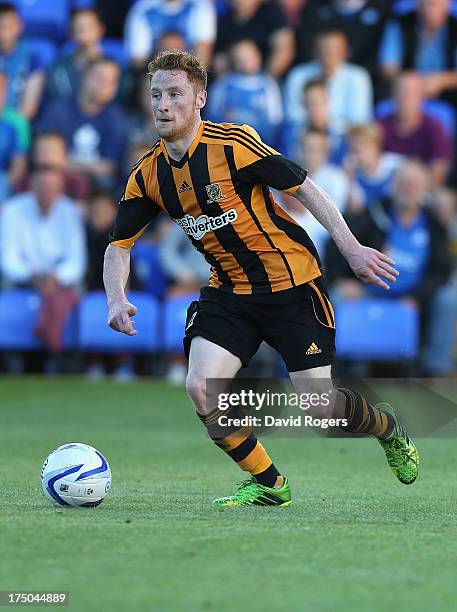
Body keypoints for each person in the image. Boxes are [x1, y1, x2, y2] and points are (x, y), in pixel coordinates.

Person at [103, 50, 419, 507]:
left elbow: (305, 187)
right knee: (199, 386)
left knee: (320, 409)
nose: (163, 105)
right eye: (156, 95)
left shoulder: (233, 145)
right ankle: (270, 483)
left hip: (292, 284)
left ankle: (386, 427)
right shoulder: (148, 174)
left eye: (175, 94)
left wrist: (350, 246)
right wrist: (116, 298)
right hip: (229, 293)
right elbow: (119, 244)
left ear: (200, 99)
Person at [325, 160, 455, 376]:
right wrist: (343, 280)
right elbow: (336, 245)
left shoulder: (433, 223)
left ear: (424, 188)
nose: (408, 188)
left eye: (414, 183)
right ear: (394, 185)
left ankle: (435, 372)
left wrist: (416, 298)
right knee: (338, 295)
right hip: (370, 291)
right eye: (403, 182)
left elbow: (442, 270)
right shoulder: (375, 213)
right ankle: (343, 369)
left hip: (414, 299)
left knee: (449, 298)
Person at [37, 57, 127, 189]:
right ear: (83, 77)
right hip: (60, 184)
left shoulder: (116, 117)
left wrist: (64, 162)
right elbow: (46, 157)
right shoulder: (58, 110)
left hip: (98, 192)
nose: (104, 86)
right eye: (99, 78)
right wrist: (91, 167)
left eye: (110, 81)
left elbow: (109, 168)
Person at [283, 29, 373, 128]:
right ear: (315, 52)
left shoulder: (358, 77)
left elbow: (359, 120)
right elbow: (293, 116)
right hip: (305, 135)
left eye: (334, 49)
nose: (329, 54)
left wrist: (328, 127)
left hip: (345, 138)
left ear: (346, 52)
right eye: (324, 49)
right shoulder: (298, 75)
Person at [377, 72, 452, 187]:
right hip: (386, 189)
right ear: (392, 96)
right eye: (399, 93)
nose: (403, 99)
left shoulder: (435, 128)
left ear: (421, 98)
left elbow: (439, 173)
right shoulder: (380, 126)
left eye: (408, 94)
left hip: (422, 192)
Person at [206, 39, 283, 146]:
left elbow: (275, 124)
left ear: (258, 56)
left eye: (249, 56)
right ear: (233, 61)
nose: (245, 61)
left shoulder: (268, 86)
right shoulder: (223, 85)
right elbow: (212, 118)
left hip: (260, 147)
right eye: (240, 58)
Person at [379, 0, 457, 101]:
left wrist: (441, 81)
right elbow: (388, 68)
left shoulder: (455, 28)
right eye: (424, 4)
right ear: (416, 5)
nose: (428, 10)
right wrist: (413, 84)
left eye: (434, 5)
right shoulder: (401, 23)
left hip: (449, 95)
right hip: (407, 92)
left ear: (448, 6)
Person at [215, 0, 295, 79]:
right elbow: (220, 62)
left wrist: (264, 80)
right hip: (235, 80)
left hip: (271, 78)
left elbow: (284, 51)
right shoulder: (223, 21)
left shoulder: (271, 12)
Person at [125, 0, 216, 67]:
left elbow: (204, 56)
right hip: (156, 69)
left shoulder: (199, 5)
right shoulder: (143, 9)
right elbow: (138, 60)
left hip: (189, 68)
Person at [0, 2, 45, 120]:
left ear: (20, 26)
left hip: (15, 124)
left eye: (8, 26)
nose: (3, 33)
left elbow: (29, 109)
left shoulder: (32, 58)